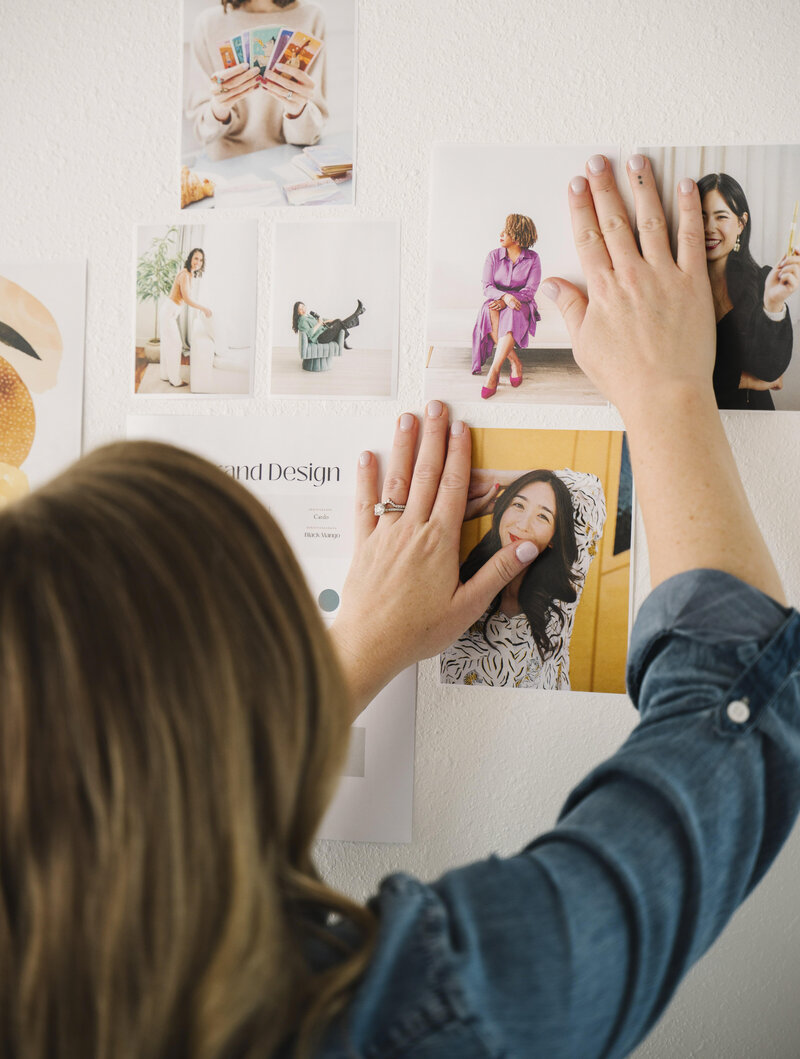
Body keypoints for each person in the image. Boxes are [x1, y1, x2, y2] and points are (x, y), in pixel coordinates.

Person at [2, 156, 800, 1059]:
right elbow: (736, 701)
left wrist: (362, 645)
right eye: (286, 645)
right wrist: (667, 392)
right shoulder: (410, 1018)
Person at [440, 467, 605, 688]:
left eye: (542, 516)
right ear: (502, 509)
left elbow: (591, 489)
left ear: (553, 539)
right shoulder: (451, 585)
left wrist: (498, 478)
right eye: (518, 504)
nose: (523, 524)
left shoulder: (559, 604)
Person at [185, 0, 328, 160]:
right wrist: (220, 108)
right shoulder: (208, 24)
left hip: (289, 165)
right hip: (227, 169)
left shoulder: (312, 17)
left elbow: (309, 136)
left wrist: (297, 109)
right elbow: (203, 133)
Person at [699, 171, 800, 409]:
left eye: (721, 217)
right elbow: (674, 373)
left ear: (741, 223)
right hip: (697, 419)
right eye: (701, 216)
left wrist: (772, 304)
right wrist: (744, 379)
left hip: (754, 421)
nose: (709, 228)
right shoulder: (677, 286)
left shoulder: (764, 281)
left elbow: (770, 370)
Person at [471, 213, 541, 398]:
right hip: (496, 299)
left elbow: (530, 291)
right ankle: (515, 363)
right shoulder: (493, 256)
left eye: (507, 231)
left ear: (517, 237)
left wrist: (508, 300)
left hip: (521, 303)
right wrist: (503, 297)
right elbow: (487, 287)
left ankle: (493, 372)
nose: (501, 233)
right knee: (489, 309)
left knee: (513, 312)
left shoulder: (533, 258)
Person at [159, 247, 211, 387]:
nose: (198, 262)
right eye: (196, 258)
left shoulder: (189, 274)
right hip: (169, 312)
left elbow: (187, 298)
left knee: (167, 344)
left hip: (169, 312)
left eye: (200, 260)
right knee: (176, 344)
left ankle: (165, 375)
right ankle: (175, 380)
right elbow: (187, 299)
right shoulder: (185, 275)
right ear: (190, 259)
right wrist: (203, 308)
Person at [291, 298, 365, 350]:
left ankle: (358, 313)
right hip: (321, 338)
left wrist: (329, 320)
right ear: (298, 312)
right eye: (300, 309)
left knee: (337, 321)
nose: (303, 309)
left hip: (324, 330)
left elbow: (320, 321)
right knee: (339, 322)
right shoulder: (302, 321)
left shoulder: (308, 315)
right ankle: (357, 313)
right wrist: (319, 324)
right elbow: (309, 334)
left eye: (303, 307)